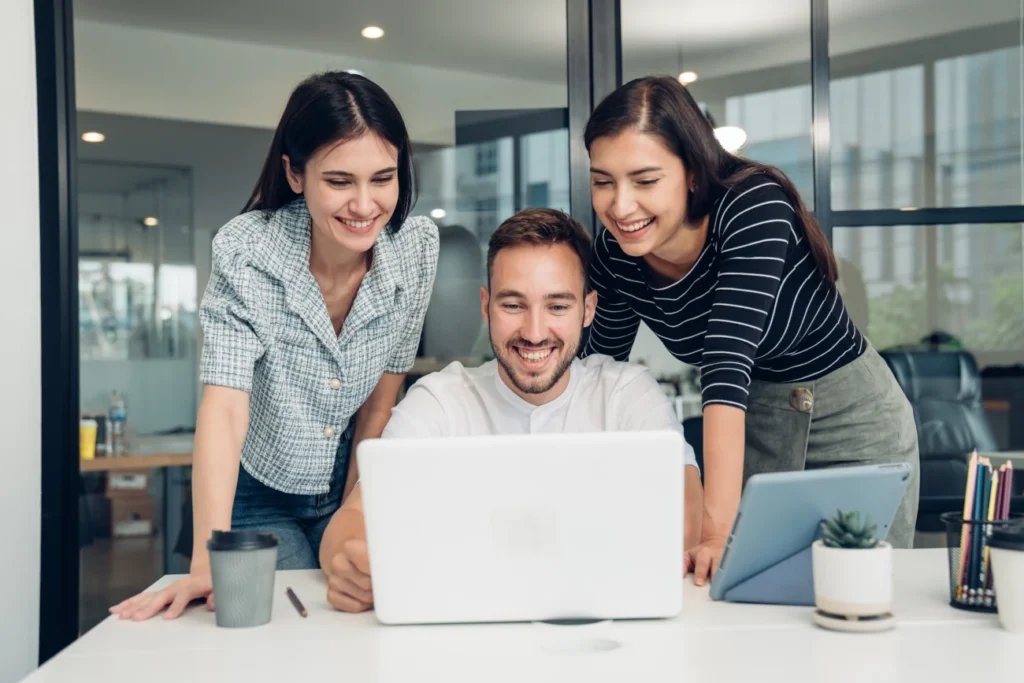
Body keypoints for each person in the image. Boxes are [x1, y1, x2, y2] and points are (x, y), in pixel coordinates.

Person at [110, 71, 439, 621]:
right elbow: (225, 408)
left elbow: (381, 402)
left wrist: (357, 511)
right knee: (284, 630)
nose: (365, 205)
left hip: (349, 480)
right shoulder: (248, 251)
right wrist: (204, 561)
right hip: (257, 491)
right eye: (339, 181)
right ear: (294, 173)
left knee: (361, 620)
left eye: (383, 178)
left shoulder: (415, 248)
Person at [580, 75, 920, 586]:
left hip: (853, 421)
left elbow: (725, 362)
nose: (620, 206)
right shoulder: (615, 256)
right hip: (759, 424)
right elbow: (597, 372)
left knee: (858, 597)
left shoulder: (752, 205)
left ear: (692, 173)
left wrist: (716, 534)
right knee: (748, 609)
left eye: (645, 181)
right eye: (603, 181)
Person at [319, 208, 703, 613]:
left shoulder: (627, 395)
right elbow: (353, 520)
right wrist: (352, 563)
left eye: (557, 307)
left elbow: (685, 516)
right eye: (514, 305)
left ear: (589, 309)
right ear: (485, 306)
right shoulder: (440, 400)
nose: (535, 333)